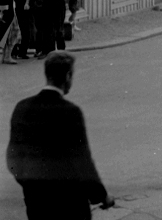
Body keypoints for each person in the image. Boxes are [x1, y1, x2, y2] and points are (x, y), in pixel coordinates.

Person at [6, 51, 115, 219]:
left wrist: (31, 187)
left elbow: (13, 159)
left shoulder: (22, 108)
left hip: (37, 203)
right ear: (68, 76)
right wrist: (101, 196)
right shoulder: (70, 112)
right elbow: (83, 162)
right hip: (70, 204)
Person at [1, 0, 19, 64]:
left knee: (10, 33)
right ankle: (7, 56)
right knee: (12, 33)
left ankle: (6, 55)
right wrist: (4, 12)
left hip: (10, 9)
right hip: (9, 11)